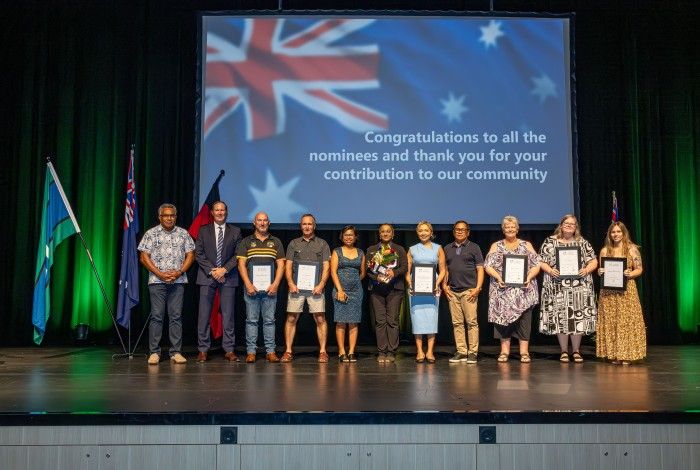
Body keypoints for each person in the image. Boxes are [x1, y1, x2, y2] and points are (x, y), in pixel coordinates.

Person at [138, 203, 195, 365]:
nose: (169, 218)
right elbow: (144, 257)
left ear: (175, 217)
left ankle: (176, 352)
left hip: (178, 282)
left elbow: (190, 255)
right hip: (157, 282)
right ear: (160, 217)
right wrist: (160, 274)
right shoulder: (151, 233)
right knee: (157, 316)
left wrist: (179, 272)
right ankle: (154, 352)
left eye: (172, 215)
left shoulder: (183, 234)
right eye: (166, 215)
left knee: (176, 316)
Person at [538, 214, 597, 363]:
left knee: (577, 317)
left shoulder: (582, 242)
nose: (570, 225)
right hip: (557, 287)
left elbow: (594, 261)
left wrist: (587, 270)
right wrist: (550, 270)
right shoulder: (550, 242)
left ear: (576, 227)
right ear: (561, 224)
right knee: (561, 318)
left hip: (579, 287)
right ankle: (564, 351)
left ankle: (576, 351)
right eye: (567, 223)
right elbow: (540, 261)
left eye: (573, 224)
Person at [483, 215, 540, 363]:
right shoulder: (496, 246)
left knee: (524, 322)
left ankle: (524, 352)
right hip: (501, 290)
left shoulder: (526, 245)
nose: (510, 229)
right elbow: (488, 266)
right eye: (507, 227)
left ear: (517, 228)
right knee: (502, 322)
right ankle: (504, 352)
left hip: (524, 291)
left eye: (512, 226)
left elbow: (537, 265)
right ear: (503, 229)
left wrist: (528, 277)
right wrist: (498, 277)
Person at [194, 201, 242, 363]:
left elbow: (238, 255)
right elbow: (198, 254)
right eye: (217, 210)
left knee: (228, 315)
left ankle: (229, 349)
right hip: (207, 276)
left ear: (226, 212)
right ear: (212, 213)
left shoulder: (235, 231)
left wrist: (224, 270)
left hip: (228, 276)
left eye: (223, 210)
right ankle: (203, 350)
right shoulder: (203, 230)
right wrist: (213, 271)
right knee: (203, 315)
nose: (220, 212)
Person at [236, 212, 286, 363]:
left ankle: (270, 351)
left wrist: (276, 284)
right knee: (251, 320)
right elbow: (241, 265)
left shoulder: (276, 241)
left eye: (265, 220)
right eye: (259, 220)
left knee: (269, 320)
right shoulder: (246, 241)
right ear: (254, 223)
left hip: (271, 289)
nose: (262, 223)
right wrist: (248, 284)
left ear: (269, 223)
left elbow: (281, 265)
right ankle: (251, 351)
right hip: (251, 289)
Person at [282, 214, 331, 363]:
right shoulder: (293, 243)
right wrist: (290, 283)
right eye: (304, 224)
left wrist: (321, 285)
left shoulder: (322, 244)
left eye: (310, 224)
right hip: (296, 288)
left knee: (320, 318)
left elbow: (326, 267)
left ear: (314, 226)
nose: (307, 227)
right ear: (300, 226)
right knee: (291, 318)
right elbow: (288, 265)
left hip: (316, 289)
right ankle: (288, 351)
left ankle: (323, 351)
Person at [596, 221, 646, 364]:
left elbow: (639, 269)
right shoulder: (605, 250)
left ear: (624, 233)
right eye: (613, 232)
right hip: (608, 292)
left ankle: (627, 355)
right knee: (612, 321)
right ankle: (614, 354)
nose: (616, 234)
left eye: (618, 232)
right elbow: (602, 270)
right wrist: (600, 272)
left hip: (626, 291)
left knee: (626, 322)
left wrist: (630, 273)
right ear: (609, 234)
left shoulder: (631, 249)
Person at [442, 220, 484, 364]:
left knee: (471, 322)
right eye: (457, 229)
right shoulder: (447, 248)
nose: (459, 231)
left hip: (469, 291)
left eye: (463, 229)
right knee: (457, 323)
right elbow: (445, 270)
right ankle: (461, 351)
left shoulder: (474, 247)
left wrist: (477, 288)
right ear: (453, 231)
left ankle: (472, 352)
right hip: (452, 291)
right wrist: (444, 286)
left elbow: (480, 269)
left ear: (468, 232)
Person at [366, 224, 407, 363]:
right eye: (382, 231)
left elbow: (404, 267)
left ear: (393, 234)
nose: (385, 233)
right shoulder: (371, 250)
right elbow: (368, 270)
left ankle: (391, 351)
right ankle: (382, 351)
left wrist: (393, 272)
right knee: (380, 321)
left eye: (388, 231)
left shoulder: (399, 249)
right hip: (377, 290)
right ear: (379, 234)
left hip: (395, 289)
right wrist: (376, 277)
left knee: (392, 321)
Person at [406, 221, 446, 363]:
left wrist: (436, 283)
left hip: (432, 287)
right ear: (417, 233)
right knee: (417, 319)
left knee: (431, 319)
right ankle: (419, 351)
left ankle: (429, 352)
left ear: (431, 232)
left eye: (426, 230)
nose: (423, 233)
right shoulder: (411, 249)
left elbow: (443, 270)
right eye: (420, 231)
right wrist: (410, 282)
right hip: (416, 287)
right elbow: (407, 271)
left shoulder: (438, 248)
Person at [330, 225, 366, 363]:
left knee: (353, 322)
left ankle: (351, 352)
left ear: (355, 237)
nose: (349, 237)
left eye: (351, 235)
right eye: (346, 235)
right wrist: (340, 289)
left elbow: (362, 273)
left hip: (356, 292)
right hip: (340, 291)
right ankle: (341, 352)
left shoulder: (361, 252)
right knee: (340, 322)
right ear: (342, 237)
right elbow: (333, 272)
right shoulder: (337, 251)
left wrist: (355, 282)